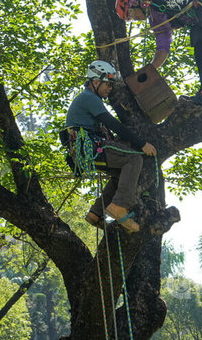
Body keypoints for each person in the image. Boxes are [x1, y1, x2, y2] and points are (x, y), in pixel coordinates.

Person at [62, 60, 157, 232]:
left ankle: (95, 214)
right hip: (88, 146)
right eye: (108, 84)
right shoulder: (89, 98)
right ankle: (119, 206)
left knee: (120, 174)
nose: (110, 88)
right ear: (96, 82)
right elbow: (113, 124)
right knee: (134, 158)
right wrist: (142, 144)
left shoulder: (88, 99)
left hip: (85, 149)